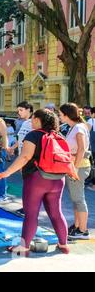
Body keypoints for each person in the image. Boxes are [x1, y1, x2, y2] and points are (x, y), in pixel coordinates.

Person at [0, 109, 70, 255]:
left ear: (37, 119)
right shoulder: (59, 135)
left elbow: (25, 157)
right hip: (58, 179)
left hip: (37, 179)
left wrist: (6, 173)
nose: (31, 121)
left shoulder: (33, 135)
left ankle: (24, 247)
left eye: (33, 118)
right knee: (56, 213)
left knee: (31, 214)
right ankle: (63, 244)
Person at [59, 103, 91, 240]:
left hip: (79, 167)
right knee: (75, 199)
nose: (59, 117)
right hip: (75, 167)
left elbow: (82, 149)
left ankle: (83, 230)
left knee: (79, 199)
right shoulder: (75, 127)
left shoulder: (78, 127)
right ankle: (77, 226)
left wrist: (75, 169)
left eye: (60, 114)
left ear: (67, 115)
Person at [86, 107, 95, 192]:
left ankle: (93, 185)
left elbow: (86, 133)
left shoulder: (91, 121)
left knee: (92, 165)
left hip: (93, 146)